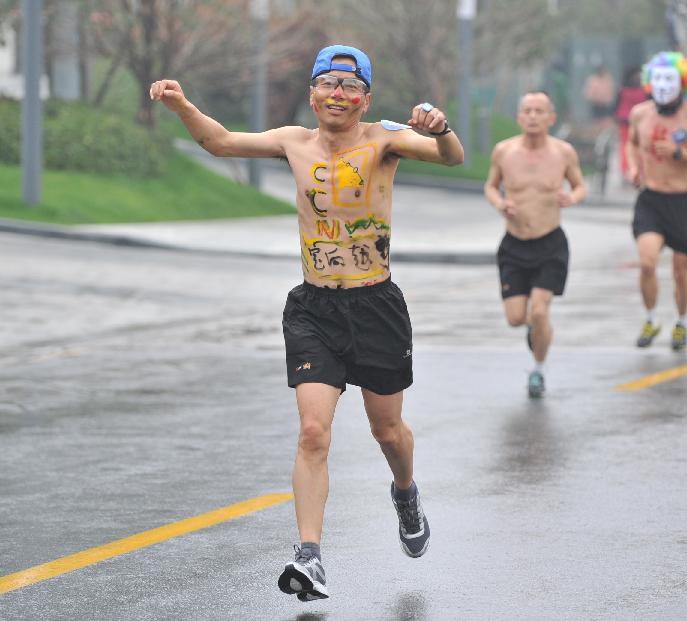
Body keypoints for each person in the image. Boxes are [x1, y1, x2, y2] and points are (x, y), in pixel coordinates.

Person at [149, 44, 464, 602]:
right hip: (315, 308)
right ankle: (310, 556)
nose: (337, 95)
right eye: (327, 84)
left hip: (376, 306)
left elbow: (451, 158)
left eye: (349, 86)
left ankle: (406, 491)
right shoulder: (293, 141)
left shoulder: (385, 141)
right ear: (312, 93)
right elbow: (220, 142)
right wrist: (181, 106)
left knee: (387, 431)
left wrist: (441, 127)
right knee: (314, 431)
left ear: (365, 99)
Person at [484, 92, 586, 398]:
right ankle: (534, 329)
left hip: (550, 243)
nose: (532, 116)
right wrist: (500, 203)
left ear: (550, 118)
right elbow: (490, 185)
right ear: (519, 117)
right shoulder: (504, 151)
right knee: (517, 318)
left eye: (539, 111)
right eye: (527, 110)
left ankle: (538, 371)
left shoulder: (563, 152)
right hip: (514, 245)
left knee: (540, 312)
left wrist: (572, 197)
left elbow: (580, 185)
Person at [626, 51, 687, 351]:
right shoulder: (640, 113)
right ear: (650, 81)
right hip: (651, 199)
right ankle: (651, 318)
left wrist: (679, 154)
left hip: (684, 200)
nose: (663, 86)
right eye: (658, 79)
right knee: (647, 263)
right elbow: (632, 142)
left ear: (683, 82)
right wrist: (634, 167)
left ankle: (681, 322)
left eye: (670, 80)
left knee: (680, 270)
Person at [615, 66, 647, 182]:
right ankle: (639, 171)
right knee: (638, 145)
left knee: (625, 145)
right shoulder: (643, 91)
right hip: (638, 121)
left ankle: (626, 170)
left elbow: (616, 106)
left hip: (625, 120)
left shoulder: (622, 91)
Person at [583, 64, 617, 135]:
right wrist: (594, 99)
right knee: (596, 121)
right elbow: (589, 92)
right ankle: (596, 135)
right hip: (596, 104)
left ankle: (605, 135)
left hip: (606, 104)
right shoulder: (592, 80)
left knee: (606, 121)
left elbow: (610, 91)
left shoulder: (608, 79)